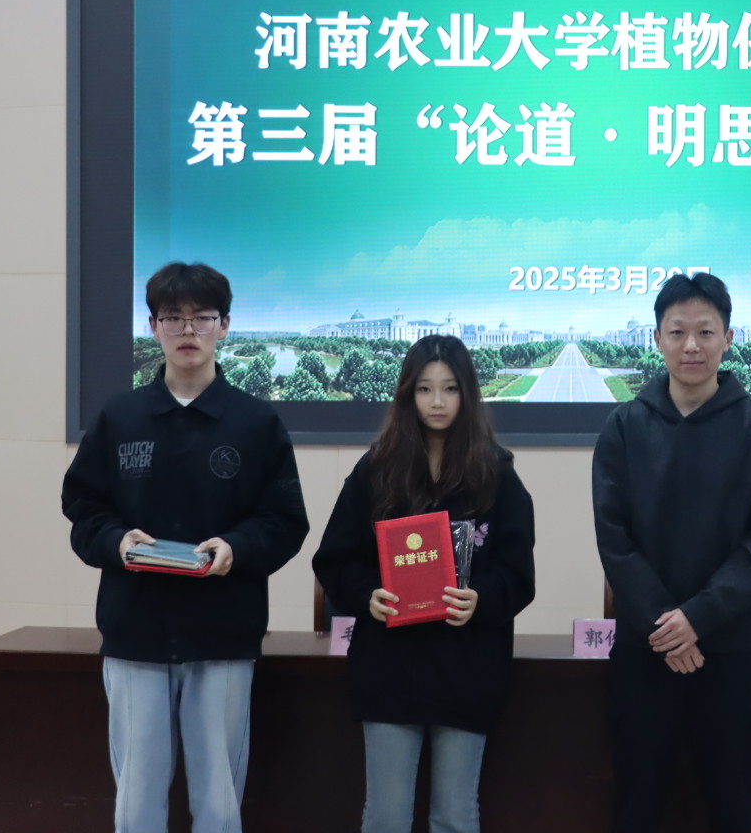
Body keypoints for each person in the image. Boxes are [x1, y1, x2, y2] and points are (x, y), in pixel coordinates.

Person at [61, 261, 309, 833]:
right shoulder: (119, 417)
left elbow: (284, 520)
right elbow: (83, 508)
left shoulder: (256, 422)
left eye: (202, 318)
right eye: (173, 318)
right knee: (137, 798)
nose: (188, 331)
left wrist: (237, 547)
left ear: (225, 325)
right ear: (153, 326)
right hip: (135, 630)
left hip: (222, 631)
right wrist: (116, 541)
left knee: (219, 798)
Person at [592, 272, 751, 833]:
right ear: (657, 339)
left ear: (728, 338)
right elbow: (614, 538)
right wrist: (667, 625)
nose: (691, 346)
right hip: (645, 651)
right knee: (637, 805)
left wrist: (697, 619)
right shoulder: (624, 426)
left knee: (733, 805)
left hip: (728, 651)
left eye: (706, 331)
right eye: (677, 332)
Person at [312, 335, 535, 833]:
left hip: (467, 667)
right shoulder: (375, 469)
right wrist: (367, 595)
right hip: (390, 667)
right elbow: (334, 559)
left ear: (467, 395)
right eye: (425, 389)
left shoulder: (498, 474)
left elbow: (518, 574)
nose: (437, 401)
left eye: (450, 389)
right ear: (408, 395)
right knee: (386, 817)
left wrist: (480, 599)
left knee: (454, 815)